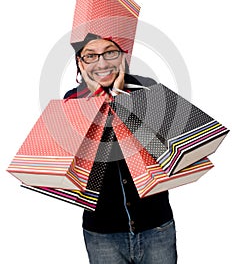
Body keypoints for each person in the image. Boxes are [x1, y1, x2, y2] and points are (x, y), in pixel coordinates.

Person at [64, 34, 177, 264]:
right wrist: (96, 98)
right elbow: (79, 162)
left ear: (123, 56)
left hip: (156, 227)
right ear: (80, 62)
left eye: (110, 52)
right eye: (91, 56)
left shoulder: (146, 89)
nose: (102, 63)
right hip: (102, 233)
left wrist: (116, 97)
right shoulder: (71, 101)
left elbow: (161, 148)